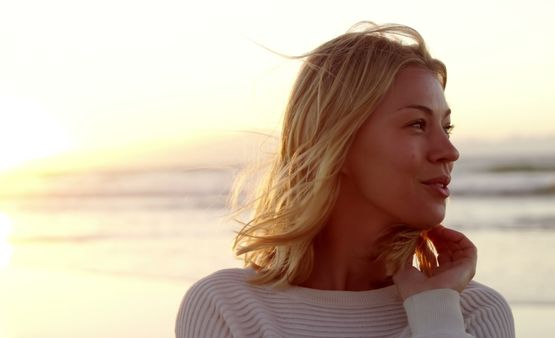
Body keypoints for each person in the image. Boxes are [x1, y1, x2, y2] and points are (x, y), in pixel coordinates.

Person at [176, 22, 515, 338]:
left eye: (447, 127)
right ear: (338, 141)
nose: (449, 151)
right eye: (417, 124)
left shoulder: (473, 312)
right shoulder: (227, 307)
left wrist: (435, 312)